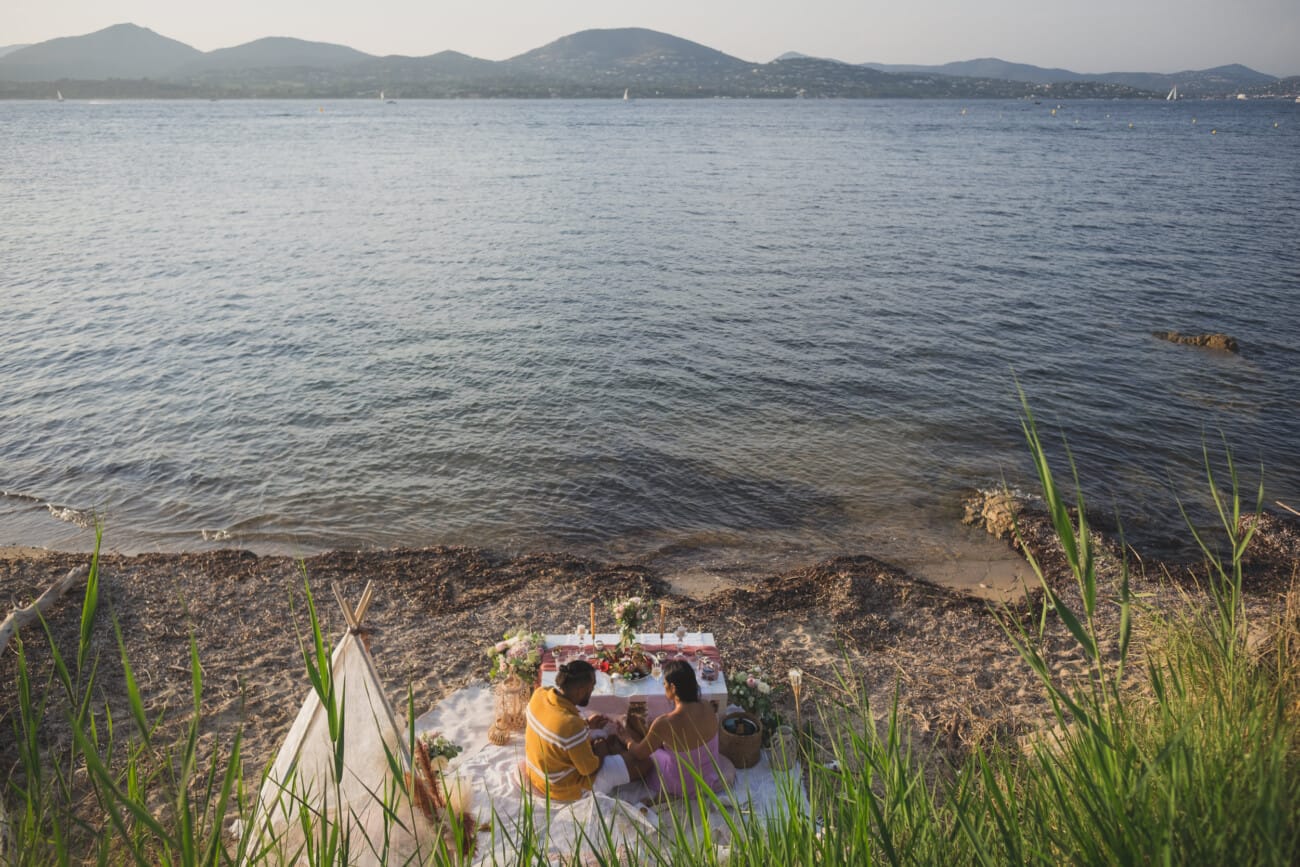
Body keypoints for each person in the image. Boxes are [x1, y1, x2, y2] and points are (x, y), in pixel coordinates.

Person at [523, 659, 650, 800]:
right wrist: (601, 751)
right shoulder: (571, 725)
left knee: (608, 738)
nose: (592, 690)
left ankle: (617, 757)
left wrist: (586, 725)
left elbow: (555, 727)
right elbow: (588, 769)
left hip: (537, 774)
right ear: (581, 691)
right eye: (592, 686)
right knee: (646, 763)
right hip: (561, 788)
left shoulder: (540, 693)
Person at [615, 659, 735, 799]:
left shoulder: (665, 723)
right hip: (708, 775)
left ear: (672, 688)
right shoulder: (706, 705)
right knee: (649, 734)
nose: (663, 686)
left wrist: (626, 739)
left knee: (637, 740)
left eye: (664, 684)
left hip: (682, 783)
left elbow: (639, 754)